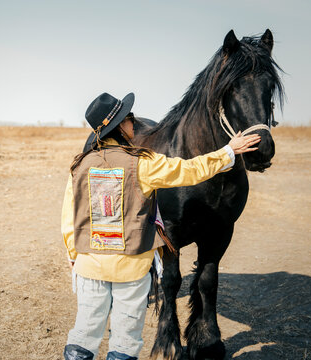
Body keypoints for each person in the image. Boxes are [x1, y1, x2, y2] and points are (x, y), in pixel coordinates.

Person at [62, 92, 261, 360]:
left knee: (84, 334)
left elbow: (69, 217)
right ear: (120, 126)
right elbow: (189, 170)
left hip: (89, 267)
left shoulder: (80, 165)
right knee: (124, 337)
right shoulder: (143, 164)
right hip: (130, 269)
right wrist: (229, 151)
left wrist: (74, 256)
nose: (134, 122)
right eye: (129, 118)